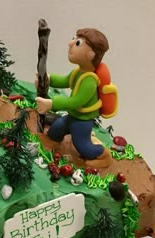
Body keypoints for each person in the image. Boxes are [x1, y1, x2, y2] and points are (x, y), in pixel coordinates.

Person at [35, 28, 112, 168]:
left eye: (77, 43)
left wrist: (52, 104)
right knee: (54, 133)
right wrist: (47, 79)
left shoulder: (90, 81)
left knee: (83, 147)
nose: (70, 43)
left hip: (82, 122)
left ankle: (104, 155)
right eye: (73, 38)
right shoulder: (78, 72)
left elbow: (75, 102)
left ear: (91, 54)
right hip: (71, 117)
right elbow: (64, 80)